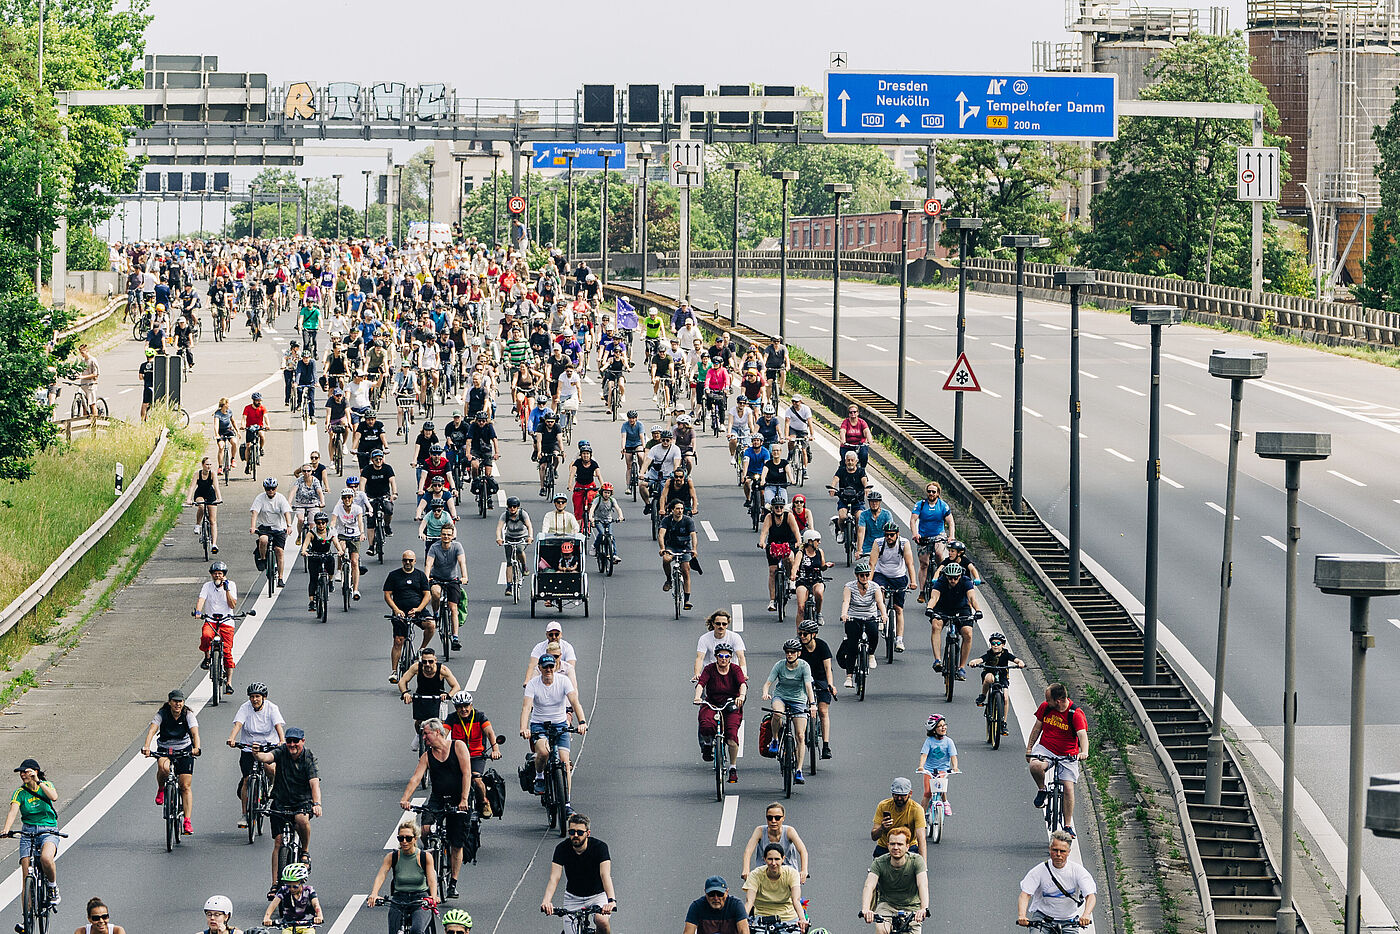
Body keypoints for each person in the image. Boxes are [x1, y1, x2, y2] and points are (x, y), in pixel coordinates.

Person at [399, 719, 471, 899]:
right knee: (424, 830)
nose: (424, 737)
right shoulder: (427, 757)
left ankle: (453, 882)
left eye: (426, 734)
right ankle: (431, 851)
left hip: (457, 799)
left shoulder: (458, 747)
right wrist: (405, 798)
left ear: (437, 732)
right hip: (437, 799)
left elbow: (466, 773)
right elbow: (416, 778)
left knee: (456, 843)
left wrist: (464, 799)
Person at [253, 726, 321, 893]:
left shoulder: (308, 758)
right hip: (281, 801)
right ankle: (275, 884)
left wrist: (317, 803)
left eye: (295, 742)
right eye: (289, 741)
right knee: (278, 842)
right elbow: (267, 757)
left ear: (302, 742)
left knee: (301, 819)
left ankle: (304, 851)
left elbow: (314, 783)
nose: (292, 745)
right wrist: (256, 754)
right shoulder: (282, 751)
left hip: (302, 802)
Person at [520, 653, 588, 797]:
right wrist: (524, 728)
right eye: (545, 667)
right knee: (544, 752)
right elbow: (526, 708)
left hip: (560, 725)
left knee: (565, 762)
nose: (548, 670)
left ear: (555, 667)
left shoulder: (563, 681)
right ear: (540, 668)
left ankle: (567, 802)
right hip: (539, 725)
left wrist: (582, 722)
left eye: (551, 666)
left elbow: (575, 702)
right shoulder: (533, 684)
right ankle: (539, 777)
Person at [1027, 684, 1090, 837]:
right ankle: (1042, 790)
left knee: (1068, 788)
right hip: (1046, 749)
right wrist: (1029, 749)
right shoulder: (1046, 707)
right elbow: (1037, 728)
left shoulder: (1075, 714)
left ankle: (1067, 825)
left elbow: (1082, 736)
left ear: (1059, 701)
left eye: (1049, 699)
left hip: (1067, 754)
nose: (1046, 702)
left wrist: (1084, 752)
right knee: (1035, 766)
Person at [540, 813, 616, 933]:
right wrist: (546, 901)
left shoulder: (600, 847)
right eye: (572, 832)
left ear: (588, 833)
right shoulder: (561, 849)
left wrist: (611, 901)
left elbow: (605, 875)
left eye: (580, 832)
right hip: (573, 897)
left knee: (602, 921)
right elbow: (554, 877)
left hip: (597, 896)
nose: (576, 835)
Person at [226, 682, 286, 828]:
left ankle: (271, 784)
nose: (255, 699)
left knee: (270, 768)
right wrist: (232, 738)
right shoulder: (245, 708)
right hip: (248, 748)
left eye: (258, 696)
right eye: (252, 697)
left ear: (264, 697)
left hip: (268, 746)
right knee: (247, 780)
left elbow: (278, 725)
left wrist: (282, 740)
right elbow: (238, 725)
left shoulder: (272, 708)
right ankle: (245, 815)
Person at [141, 689, 200, 835]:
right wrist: (147, 747)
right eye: (175, 701)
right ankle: (161, 788)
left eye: (180, 701)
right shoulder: (162, 714)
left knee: (185, 786)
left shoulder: (188, 715)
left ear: (183, 702)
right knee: (164, 768)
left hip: (184, 749)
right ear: (170, 702)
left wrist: (196, 748)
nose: (177, 704)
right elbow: (152, 731)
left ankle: (187, 821)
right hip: (165, 749)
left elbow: (195, 733)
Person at [4, 758, 60, 906]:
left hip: (48, 829)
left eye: (26, 772)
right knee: (26, 876)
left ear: (35, 771)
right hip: (28, 832)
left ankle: (52, 887)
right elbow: (13, 811)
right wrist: (6, 829)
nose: (22, 775)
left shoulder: (46, 785)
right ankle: (26, 920)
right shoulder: (20, 793)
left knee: (46, 858)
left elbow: (54, 797)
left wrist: (39, 781)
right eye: (20, 772)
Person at [367, 819, 438, 934]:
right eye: (401, 838)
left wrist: (433, 897)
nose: (404, 841)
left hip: (420, 900)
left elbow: (431, 879)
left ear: (415, 838)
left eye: (408, 838)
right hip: (399, 899)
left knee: (417, 931)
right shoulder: (392, 857)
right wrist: (374, 893)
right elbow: (381, 875)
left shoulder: (425, 857)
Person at [761, 640, 816, 784]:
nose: (790, 655)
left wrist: (812, 704)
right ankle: (775, 739)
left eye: (792, 652)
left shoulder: (804, 666)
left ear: (798, 653)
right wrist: (766, 693)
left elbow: (808, 686)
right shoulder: (779, 665)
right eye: (787, 652)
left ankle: (798, 770)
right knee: (777, 713)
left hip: (798, 699)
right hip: (781, 697)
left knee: (800, 736)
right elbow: (768, 683)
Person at [1017, 831, 1096, 928]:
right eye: (1055, 850)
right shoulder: (1038, 871)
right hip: (1043, 919)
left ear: (1068, 852)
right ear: (1050, 849)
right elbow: (1025, 894)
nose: (1058, 854)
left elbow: (1090, 895)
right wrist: (1022, 915)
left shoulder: (1078, 871)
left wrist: (1086, 914)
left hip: (1068, 920)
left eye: (1062, 851)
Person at [443, 691, 502, 818]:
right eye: (460, 707)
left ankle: (484, 802)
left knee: (476, 778)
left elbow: (490, 733)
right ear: (455, 708)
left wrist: (495, 750)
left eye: (466, 706)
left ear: (471, 705)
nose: (463, 709)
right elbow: (443, 734)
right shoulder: (452, 718)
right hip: (458, 755)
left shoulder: (480, 716)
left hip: (476, 755)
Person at [858, 827, 929, 934]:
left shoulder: (916, 861)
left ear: (907, 847)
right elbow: (869, 885)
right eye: (892, 844)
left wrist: (923, 909)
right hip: (887, 905)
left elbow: (922, 885)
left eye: (900, 844)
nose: (896, 847)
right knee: (881, 929)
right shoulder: (879, 862)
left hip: (911, 907)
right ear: (888, 846)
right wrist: (866, 909)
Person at [694, 641, 746, 784]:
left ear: (730, 657)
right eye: (721, 656)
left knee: (731, 737)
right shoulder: (710, 669)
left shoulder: (735, 669)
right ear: (716, 656)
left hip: (731, 704)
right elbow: (701, 684)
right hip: (712, 702)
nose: (724, 659)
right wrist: (698, 697)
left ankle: (733, 768)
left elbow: (742, 684)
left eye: (727, 656)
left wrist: (741, 697)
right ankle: (708, 744)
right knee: (705, 723)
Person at [926, 561, 984, 678]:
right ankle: (937, 660)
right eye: (950, 578)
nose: (953, 581)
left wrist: (978, 610)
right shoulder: (941, 581)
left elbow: (972, 598)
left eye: (955, 578)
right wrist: (929, 608)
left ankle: (961, 667)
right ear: (946, 576)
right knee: (936, 625)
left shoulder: (966, 581)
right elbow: (934, 597)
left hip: (961, 608)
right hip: (943, 608)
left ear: (960, 576)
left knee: (968, 633)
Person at [384, 551, 435, 681]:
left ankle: (421, 649)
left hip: (417, 610)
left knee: (431, 625)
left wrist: (418, 609)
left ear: (415, 561)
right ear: (402, 561)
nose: (408, 563)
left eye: (410, 560)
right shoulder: (394, 575)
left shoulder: (420, 575)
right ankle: (394, 671)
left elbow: (427, 595)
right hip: (400, 611)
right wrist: (396, 610)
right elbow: (387, 595)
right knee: (398, 640)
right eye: (405, 560)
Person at [871, 519, 917, 653]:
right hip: (882, 574)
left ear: (897, 534)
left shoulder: (904, 543)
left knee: (898, 609)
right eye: (887, 535)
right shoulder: (879, 543)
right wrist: (868, 582)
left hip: (898, 576)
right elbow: (872, 564)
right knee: (879, 590)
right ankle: (880, 614)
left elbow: (910, 564)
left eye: (892, 535)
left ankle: (899, 639)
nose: (889, 537)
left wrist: (913, 581)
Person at [739, 802, 809, 883]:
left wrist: (804, 871)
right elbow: (748, 851)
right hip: (765, 871)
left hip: (788, 872)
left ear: (783, 818)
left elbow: (802, 850)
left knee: (794, 894)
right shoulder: (760, 831)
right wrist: (746, 870)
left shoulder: (789, 831)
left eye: (777, 818)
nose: (773, 821)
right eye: (769, 818)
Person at [796, 619, 835, 760]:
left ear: (814, 635)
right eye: (800, 633)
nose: (802, 636)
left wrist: (830, 685)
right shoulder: (798, 647)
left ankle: (825, 746)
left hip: (820, 679)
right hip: (802, 679)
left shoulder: (822, 646)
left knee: (823, 711)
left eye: (805, 634)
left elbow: (828, 669)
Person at [742, 843, 806, 931]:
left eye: (777, 859)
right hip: (761, 918)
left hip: (788, 918)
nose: (773, 863)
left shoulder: (792, 873)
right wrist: (743, 919)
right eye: (770, 859)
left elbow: (796, 900)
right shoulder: (756, 874)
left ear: (783, 859)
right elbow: (749, 901)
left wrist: (802, 919)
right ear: (764, 859)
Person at [425, 524, 468, 652]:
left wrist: (464, 576)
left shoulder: (457, 547)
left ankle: (455, 638)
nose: (446, 537)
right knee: (436, 593)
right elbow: (428, 564)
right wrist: (426, 577)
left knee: (453, 608)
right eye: (444, 534)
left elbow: (462, 562)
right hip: (437, 578)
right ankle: (436, 613)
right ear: (440, 535)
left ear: (452, 535)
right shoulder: (434, 547)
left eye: (449, 534)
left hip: (452, 580)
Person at [911, 482, 954, 600]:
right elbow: (913, 520)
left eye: (933, 492)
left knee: (940, 556)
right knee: (924, 564)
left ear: (938, 493)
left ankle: (943, 582)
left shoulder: (943, 506)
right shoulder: (920, 505)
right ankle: (921, 592)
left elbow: (950, 522)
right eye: (929, 491)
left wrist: (951, 536)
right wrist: (915, 534)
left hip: (938, 536)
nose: (931, 493)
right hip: (924, 537)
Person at [758, 496, 800, 613]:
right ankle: (772, 601)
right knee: (772, 571)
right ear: (772, 508)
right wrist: (762, 542)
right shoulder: (769, 517)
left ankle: (791, 580)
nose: (779, 509)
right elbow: (764, 532)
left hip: (788, 544)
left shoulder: (789, 516)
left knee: (790, 557)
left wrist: (798, 541)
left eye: (781, 507)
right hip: (774, 545)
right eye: (776, 507)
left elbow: (796, 531)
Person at [250, 478, 294, 588]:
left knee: (279, 551)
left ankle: (280, 578)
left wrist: (289, 525)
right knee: (263, 540)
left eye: (273, 488)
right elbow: (255, 513)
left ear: (276, 488)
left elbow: (286, 512)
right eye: (268, 489)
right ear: (265, 489)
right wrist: (253, 527)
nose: (271, 491)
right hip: (265, 527)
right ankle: (263, 559)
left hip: (279, 528)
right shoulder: (260, 498)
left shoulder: (280, 498)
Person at [870, 777, 928, 857]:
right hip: (885, 847)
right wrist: (882, 828)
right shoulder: (883, 806)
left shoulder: (916, 809)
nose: (899, 798)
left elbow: (921, 839)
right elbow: (874, 836)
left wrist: (923, 866)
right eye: (896, 795)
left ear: (910, 794)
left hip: (908, 847)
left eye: (902, 795)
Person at [970, 631, 1026, 712]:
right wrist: (974, 662)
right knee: (989, 679)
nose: (995, 645)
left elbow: (1016, 659)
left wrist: (1020, 662)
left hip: (1002, 675)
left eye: (998, 643)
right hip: (989, 672)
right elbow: (981, 659)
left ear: (1003, 645)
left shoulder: (1006, 654)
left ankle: (1003, 722)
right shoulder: (989, 654)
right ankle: (983, 695)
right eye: (993, 643)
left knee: (1006, 698)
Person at [659, 497, 699, 609]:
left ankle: (687, 600)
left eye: (681, 509)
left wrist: (694, 549)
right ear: (672, 510)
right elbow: (661, 535)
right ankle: (668, 580)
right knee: (666, 559)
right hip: (671, 546)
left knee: (686, 570)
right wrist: (662, 548)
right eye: (677, 509)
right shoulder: (666, 520)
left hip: (685, 547)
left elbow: (693, 535)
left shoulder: (688, 521)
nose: (680, 511)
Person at [917, 715, 959, 815]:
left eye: (944, 725)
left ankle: (945, 802)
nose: (943, 727)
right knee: (927, 793)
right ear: (934, 730)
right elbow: (924, 755)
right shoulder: (929, 741)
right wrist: (921, 766)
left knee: (941, 787)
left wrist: (955, 767)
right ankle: (921, 817)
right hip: (929, 770)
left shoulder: (949, 742)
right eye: (940, 726)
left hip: (942, 769)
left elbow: (953, 756)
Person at [262, 863, 323, 931]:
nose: (291, 889)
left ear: (302, 881)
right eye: (288, 886)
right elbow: (273, 904)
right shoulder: (284, 890)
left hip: (307, 925)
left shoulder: (309, 890)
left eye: (295, 886)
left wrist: (319, 916)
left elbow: (315, 904)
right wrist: (267, 917)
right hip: (288, 925)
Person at [792, 529, 832, 627]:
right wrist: (793, 575)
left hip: (816, 579)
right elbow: (795, 566)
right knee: (801, 608)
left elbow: (822, 567)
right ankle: (799, 633)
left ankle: (818, 613)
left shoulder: (820, 552)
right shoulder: (801, 553)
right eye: (817, 540)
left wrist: (826, 565)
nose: (819, 543)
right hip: (803, 580)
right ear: (810, 541)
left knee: (819, 593)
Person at [496, 496, 534, 598]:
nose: (512, 508)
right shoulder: (505, 515)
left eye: (514, 506)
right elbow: (499, 527)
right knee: (509, 562)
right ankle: (509, 586)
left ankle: (524, 566)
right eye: (510, 507)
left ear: (518, 507)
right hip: (509, 537)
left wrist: (530, 537)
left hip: (522, 537)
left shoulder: (523, 514)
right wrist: (499, 538)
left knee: (519, 550)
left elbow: (529, 526)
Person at [683, 876, 749, 934]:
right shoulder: (696, 906)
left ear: (726, 892)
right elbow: (688, 932)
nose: (716, 898)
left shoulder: (736, 905)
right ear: (705, 892)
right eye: (711, 894)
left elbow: (744, 931)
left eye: (720, 894)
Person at [694, 609, 747, 679]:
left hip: (731, 672)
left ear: (727, 625)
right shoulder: (704, 638)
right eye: (718, 623)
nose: (721, 626)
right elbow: (700, 658)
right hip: (711, 673)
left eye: (724, 624)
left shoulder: (735, 637)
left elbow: (741, 657)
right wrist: (697, 673)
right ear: (713, 624)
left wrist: (743, 674)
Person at [525, 620, 579, 685]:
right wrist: (527, 681)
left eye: (556, 634)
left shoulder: (568, 647)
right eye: (551, 634)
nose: (554, 637)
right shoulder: (539, 647)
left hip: (562, 679)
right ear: (547, 635)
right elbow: (532, 665)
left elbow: (571, 667)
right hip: (545, 676)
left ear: (561, 635)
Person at [190, 456, 223, 554]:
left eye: (210, 464)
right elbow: (192, 487)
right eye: (207, 464)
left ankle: (214, 544)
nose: (208, 466)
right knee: (201, 506)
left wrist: (219, 498)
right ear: (203, 465)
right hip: (200, 494)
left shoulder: (212, 474)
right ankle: (197, 524)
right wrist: (188, 499)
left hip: (210, 494)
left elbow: (216, 487)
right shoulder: (197, 474)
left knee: (213, 520)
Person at [588, 482, 625, 562]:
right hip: (598, 520)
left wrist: (621, 516)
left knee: (611, 536)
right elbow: (592, 509)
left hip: (608, 520)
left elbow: (618, 508)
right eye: (605, 492)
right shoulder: (598, 500)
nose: (606, 494)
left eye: (608, 493)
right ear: (602, 492)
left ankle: (614, 554)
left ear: (611, 493)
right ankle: (594, 546)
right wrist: (591, 518)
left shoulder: (612, 500)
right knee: (602, 534)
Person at [841, 404, 873, 470]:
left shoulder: (862, 422)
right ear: (849, 414)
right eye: (851, 412)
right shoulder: (845, 422)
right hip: (848, 445)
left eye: (854, 412)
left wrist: (870, 439)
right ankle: (843, 472)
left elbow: (867, 431)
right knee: (844, 459)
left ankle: (863, 470)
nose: (853, 414)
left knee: (864, 455)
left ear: (857, 413)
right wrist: (843, 440)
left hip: (860, 445)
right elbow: (842, 431)